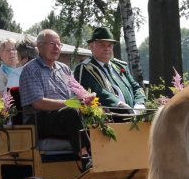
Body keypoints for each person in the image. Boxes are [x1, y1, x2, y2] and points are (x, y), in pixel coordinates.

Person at [19, 29, 90, 166]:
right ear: (39, 47)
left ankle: (109, 155)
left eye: (59, 44)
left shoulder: (64, 69)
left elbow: (77, 93)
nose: (56, 48)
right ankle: (85, 156)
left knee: (100, 112)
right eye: (52, 44)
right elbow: (38, 103)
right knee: (71, 112)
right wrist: (69, 104)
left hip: (63, 117)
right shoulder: (31, 69)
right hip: (38, 120)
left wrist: (86, 100)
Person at [73, 27, 145, 115]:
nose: (106, 48)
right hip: (109, 119)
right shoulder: (84, 68)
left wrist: (139, 103)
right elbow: (97, 91)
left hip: (134, 116)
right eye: (102, 45)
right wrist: (119, 105)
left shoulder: (121, 66)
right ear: (91, 46)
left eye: (109, 45)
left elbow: (136, 87)